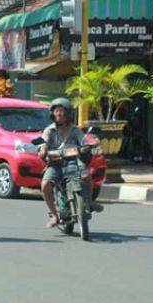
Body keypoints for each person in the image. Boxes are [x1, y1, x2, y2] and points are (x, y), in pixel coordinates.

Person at [38, 98, 103, 228]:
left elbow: (83, 140)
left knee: (87, 176)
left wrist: (91, 144)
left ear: (67, 113)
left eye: (61, 111)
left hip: (74, 162)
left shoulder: (75, 130)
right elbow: (43, 143)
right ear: (53, 113)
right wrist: (43, 149)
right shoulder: (49, 130)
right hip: (55, 164)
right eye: (56, 111)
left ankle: (89, 202)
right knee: (45, 185)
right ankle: (55, 215)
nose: (59, 114)